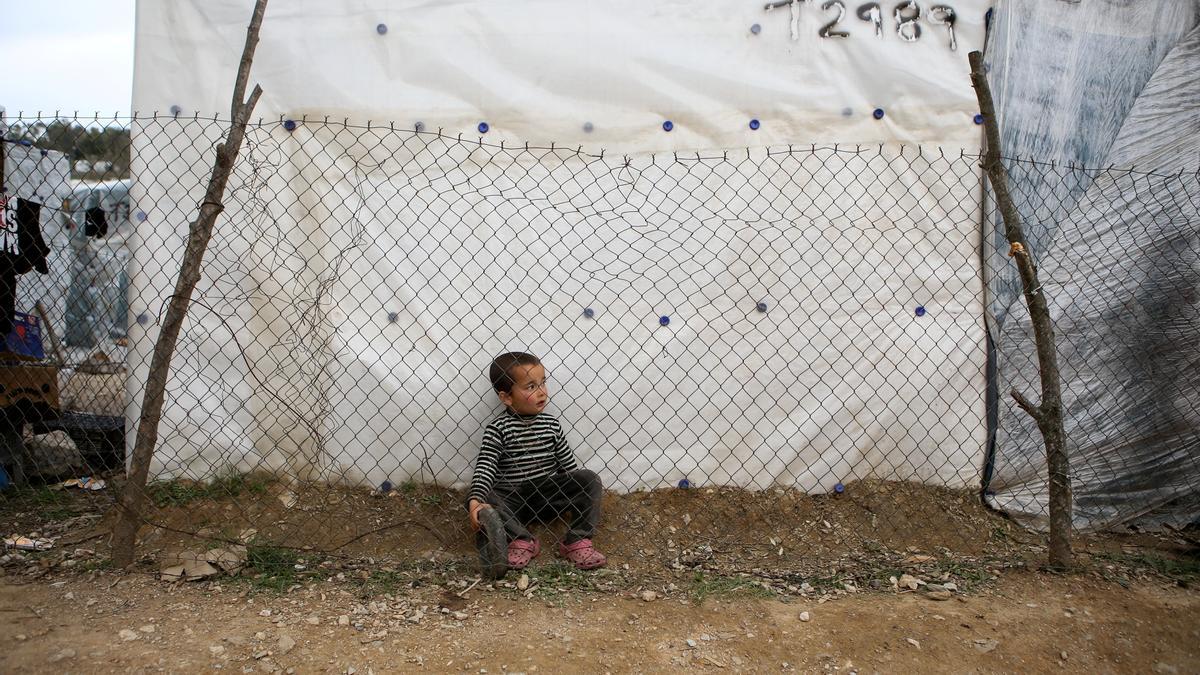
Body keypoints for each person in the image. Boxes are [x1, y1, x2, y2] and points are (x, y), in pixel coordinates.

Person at [467, 351, 607, 578]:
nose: (542, 391)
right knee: (486, 495)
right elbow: (486, 466)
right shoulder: (499, 429)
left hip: (547, 495)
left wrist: (580, 489)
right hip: (514, 499)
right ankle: (521, 540)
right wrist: (475, 500)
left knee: (588, 478)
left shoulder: (551, 425)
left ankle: (577, 541)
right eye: (530, 387)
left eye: (543, 383)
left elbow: (568, 468)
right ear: (507, 397)